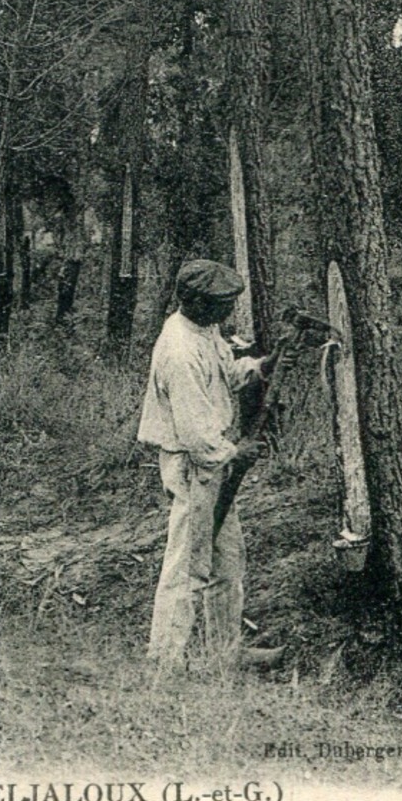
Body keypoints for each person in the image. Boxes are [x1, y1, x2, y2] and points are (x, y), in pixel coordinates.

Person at [137, 257, 285, 673]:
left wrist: (260, 367)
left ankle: (224, 653)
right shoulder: (179, 351)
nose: (228, 312)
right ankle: (165, 661)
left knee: (226, 561)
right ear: (196, 302)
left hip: (212, 464)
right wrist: (235, 452)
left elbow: (223, 375)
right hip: (194, 465)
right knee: (189, 566)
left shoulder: (204, 329)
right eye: (222, 304)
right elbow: (195, 433)